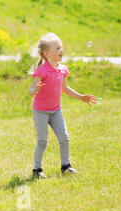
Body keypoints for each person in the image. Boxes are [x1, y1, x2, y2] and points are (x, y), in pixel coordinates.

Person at [28, 33, 97, 178]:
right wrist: (35, 90)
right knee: (42, 141)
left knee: (64, 137)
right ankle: (37, 170)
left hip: (55, 111)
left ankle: (66, 166)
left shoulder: (62, 69)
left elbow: (65, 88)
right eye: (57, 48)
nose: (61, 51)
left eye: (62, 48)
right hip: (40, 112)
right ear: (46, 53)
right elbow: (30, 90)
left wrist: (81, 97)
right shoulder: (41, 71)